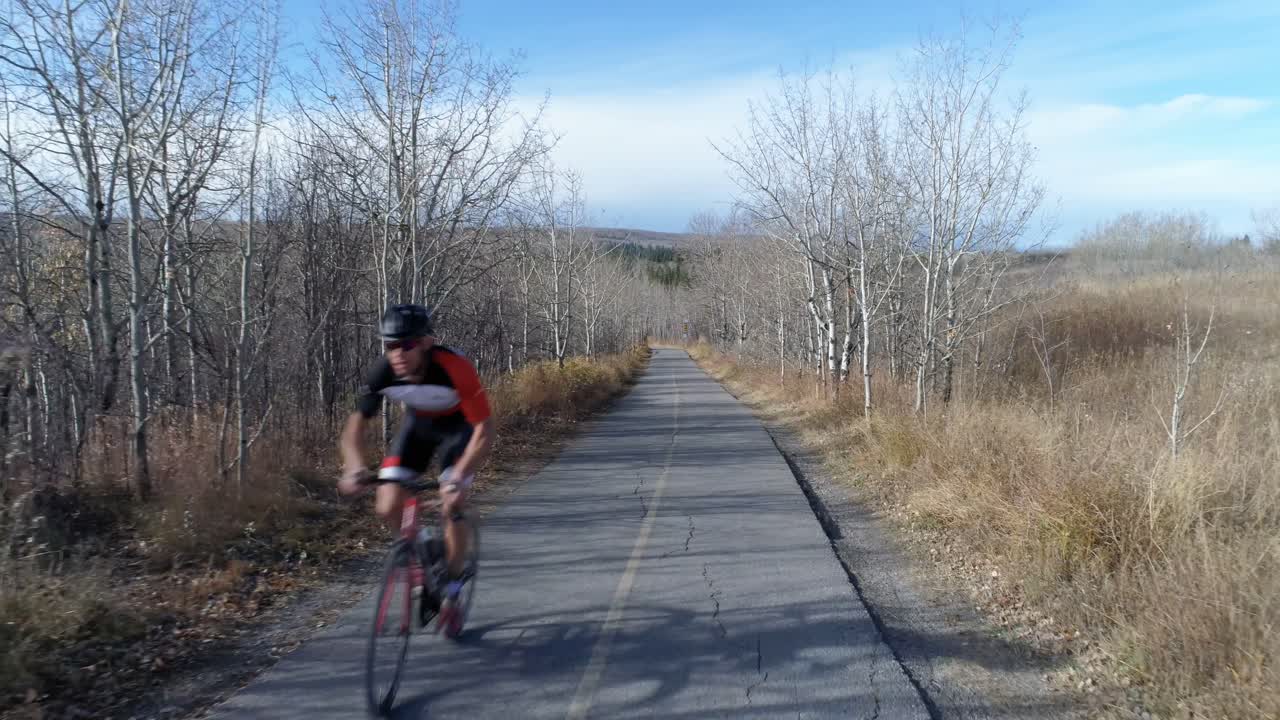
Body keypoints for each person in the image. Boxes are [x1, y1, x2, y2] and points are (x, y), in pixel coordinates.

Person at [338, 303, 493, 629]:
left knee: (452, 502)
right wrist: (353, 467)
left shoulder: (454, 368)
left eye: (406, 344)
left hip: (459, 430)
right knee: (386, 504)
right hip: (418, 431)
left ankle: (452, 588)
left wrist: (460, 476)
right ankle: (421, 550)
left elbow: (484, 429)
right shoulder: (382, 371)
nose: (397, 353)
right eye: (390, 345)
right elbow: (355, 428)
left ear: (426, 342)